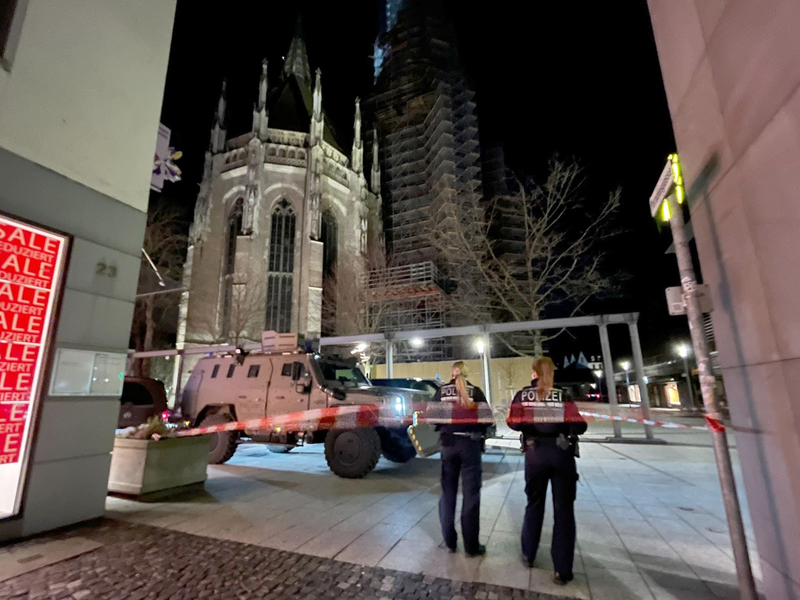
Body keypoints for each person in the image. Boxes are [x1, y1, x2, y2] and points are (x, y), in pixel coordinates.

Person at [507, 357, 587, 585]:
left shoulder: (524, 395)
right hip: (562, 455)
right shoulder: (562, 395)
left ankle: (529, 554)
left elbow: (512, 422)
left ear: (534, 374)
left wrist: (528, 425)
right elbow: (580, 425)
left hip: (535, 454)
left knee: (534, 504)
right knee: (563, 510)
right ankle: (562, 570)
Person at [432, 361, 489, 557]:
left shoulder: (441, 392)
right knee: (470, 495)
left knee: (448, 494)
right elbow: (487, 419)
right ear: (466, 373)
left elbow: (432, 418)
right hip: (470, 446)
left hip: (448, 445)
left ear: (452, 373)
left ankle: (450, 542)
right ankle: (471, 547)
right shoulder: (476, 392)